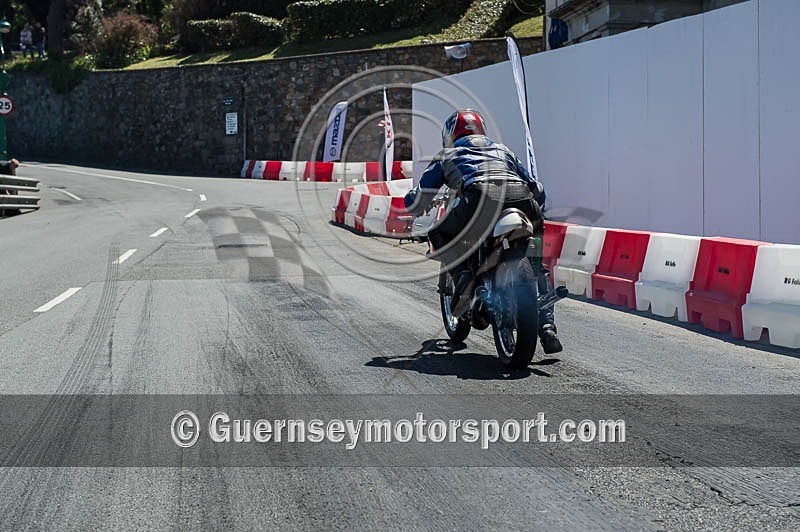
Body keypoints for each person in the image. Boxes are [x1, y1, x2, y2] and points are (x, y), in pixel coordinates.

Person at [404, 109, 563, 354]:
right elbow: (536, 188)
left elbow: (422, 193)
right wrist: (536, 206)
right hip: (522, 199)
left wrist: (411, 203)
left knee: (439, 234)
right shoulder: (503, 150)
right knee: (536, 262)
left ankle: (465, 279)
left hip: (479, 199)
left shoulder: (448, 153)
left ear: (449, 135)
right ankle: (548, 325)